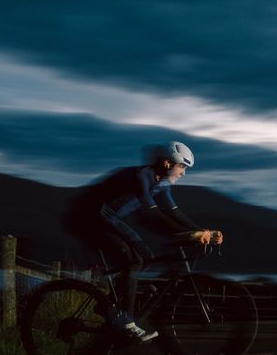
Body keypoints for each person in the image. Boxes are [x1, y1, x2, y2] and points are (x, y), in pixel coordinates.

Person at [63, 141, 223, 342]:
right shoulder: (142, 177)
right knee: (134, 259)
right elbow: (153, 213)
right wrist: (193, 234)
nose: (183, 173)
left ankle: (109, 307)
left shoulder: (159, 183)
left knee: (144, 256)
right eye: (182, 166)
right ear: (167, 164)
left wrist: (202, 231)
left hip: (106, 218)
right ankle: (127, 323)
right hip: (89, 216)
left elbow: (174, 212)